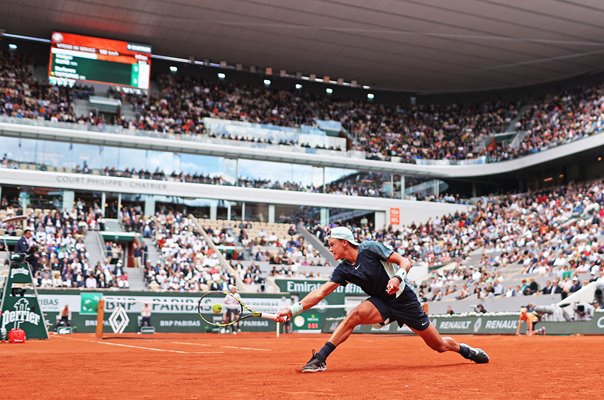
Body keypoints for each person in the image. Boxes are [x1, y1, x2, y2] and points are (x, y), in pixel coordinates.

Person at [274, 227, 489, 373]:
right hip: (380, 302)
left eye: (332, 244)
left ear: (344, 242)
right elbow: (320, 293)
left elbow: (405, 262)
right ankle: (320, 358)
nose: (330, 249)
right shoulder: (343, 270)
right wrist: (292, 310)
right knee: (354, 315)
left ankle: (467, 351)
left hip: (404, 299)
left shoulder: (370, 248)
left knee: (439, 345)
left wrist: (397, 277)